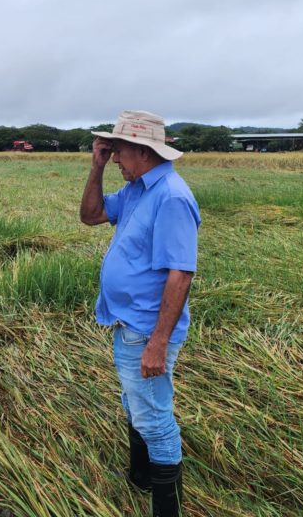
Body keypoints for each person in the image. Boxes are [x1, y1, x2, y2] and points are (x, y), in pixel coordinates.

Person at [80, 110, 200, 517]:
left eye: (118, 151)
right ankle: (140, 478)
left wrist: (158, 344)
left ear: (143, 151)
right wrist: (95, 168)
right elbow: (92, 215)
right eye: (110, 150)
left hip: (148, 331)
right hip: (130, 325)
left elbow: (180, 274)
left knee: (154, 419)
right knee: (137, 405)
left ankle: (166, 509)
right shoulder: (137, 189)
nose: (114, 158)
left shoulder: (171, 197)